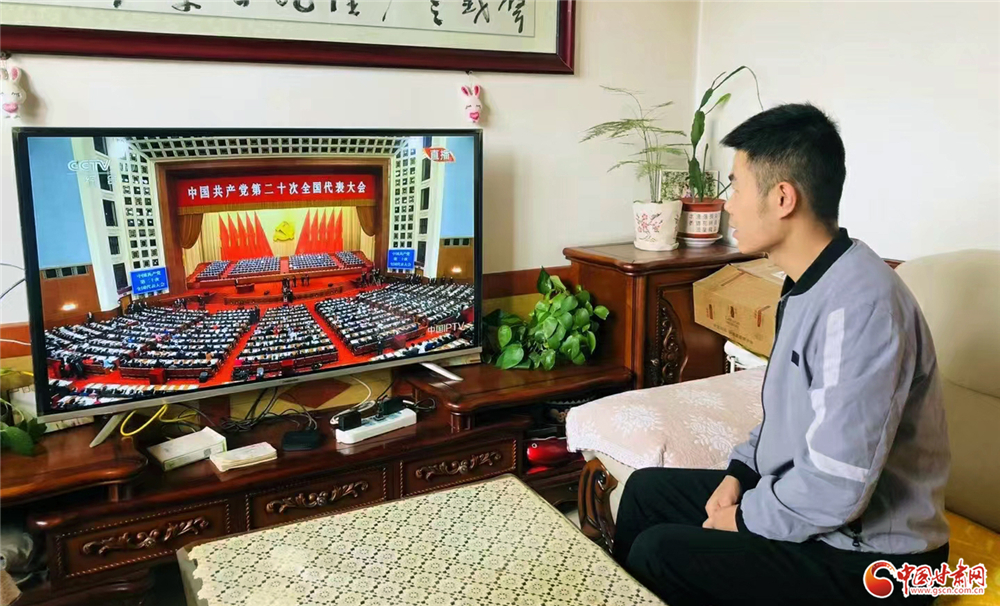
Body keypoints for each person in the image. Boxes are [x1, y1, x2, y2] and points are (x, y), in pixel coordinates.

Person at [613, 104, 950, 606]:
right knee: (646, 493)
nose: (728, 206)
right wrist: (740, 476)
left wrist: (745, 518)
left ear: (783, 198)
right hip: (823, 516)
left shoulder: (862, 309)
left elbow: (837, 488)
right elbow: (786, 422)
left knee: (661, 552)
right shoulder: (808, 282)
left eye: (736, 188)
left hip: (883, 561)